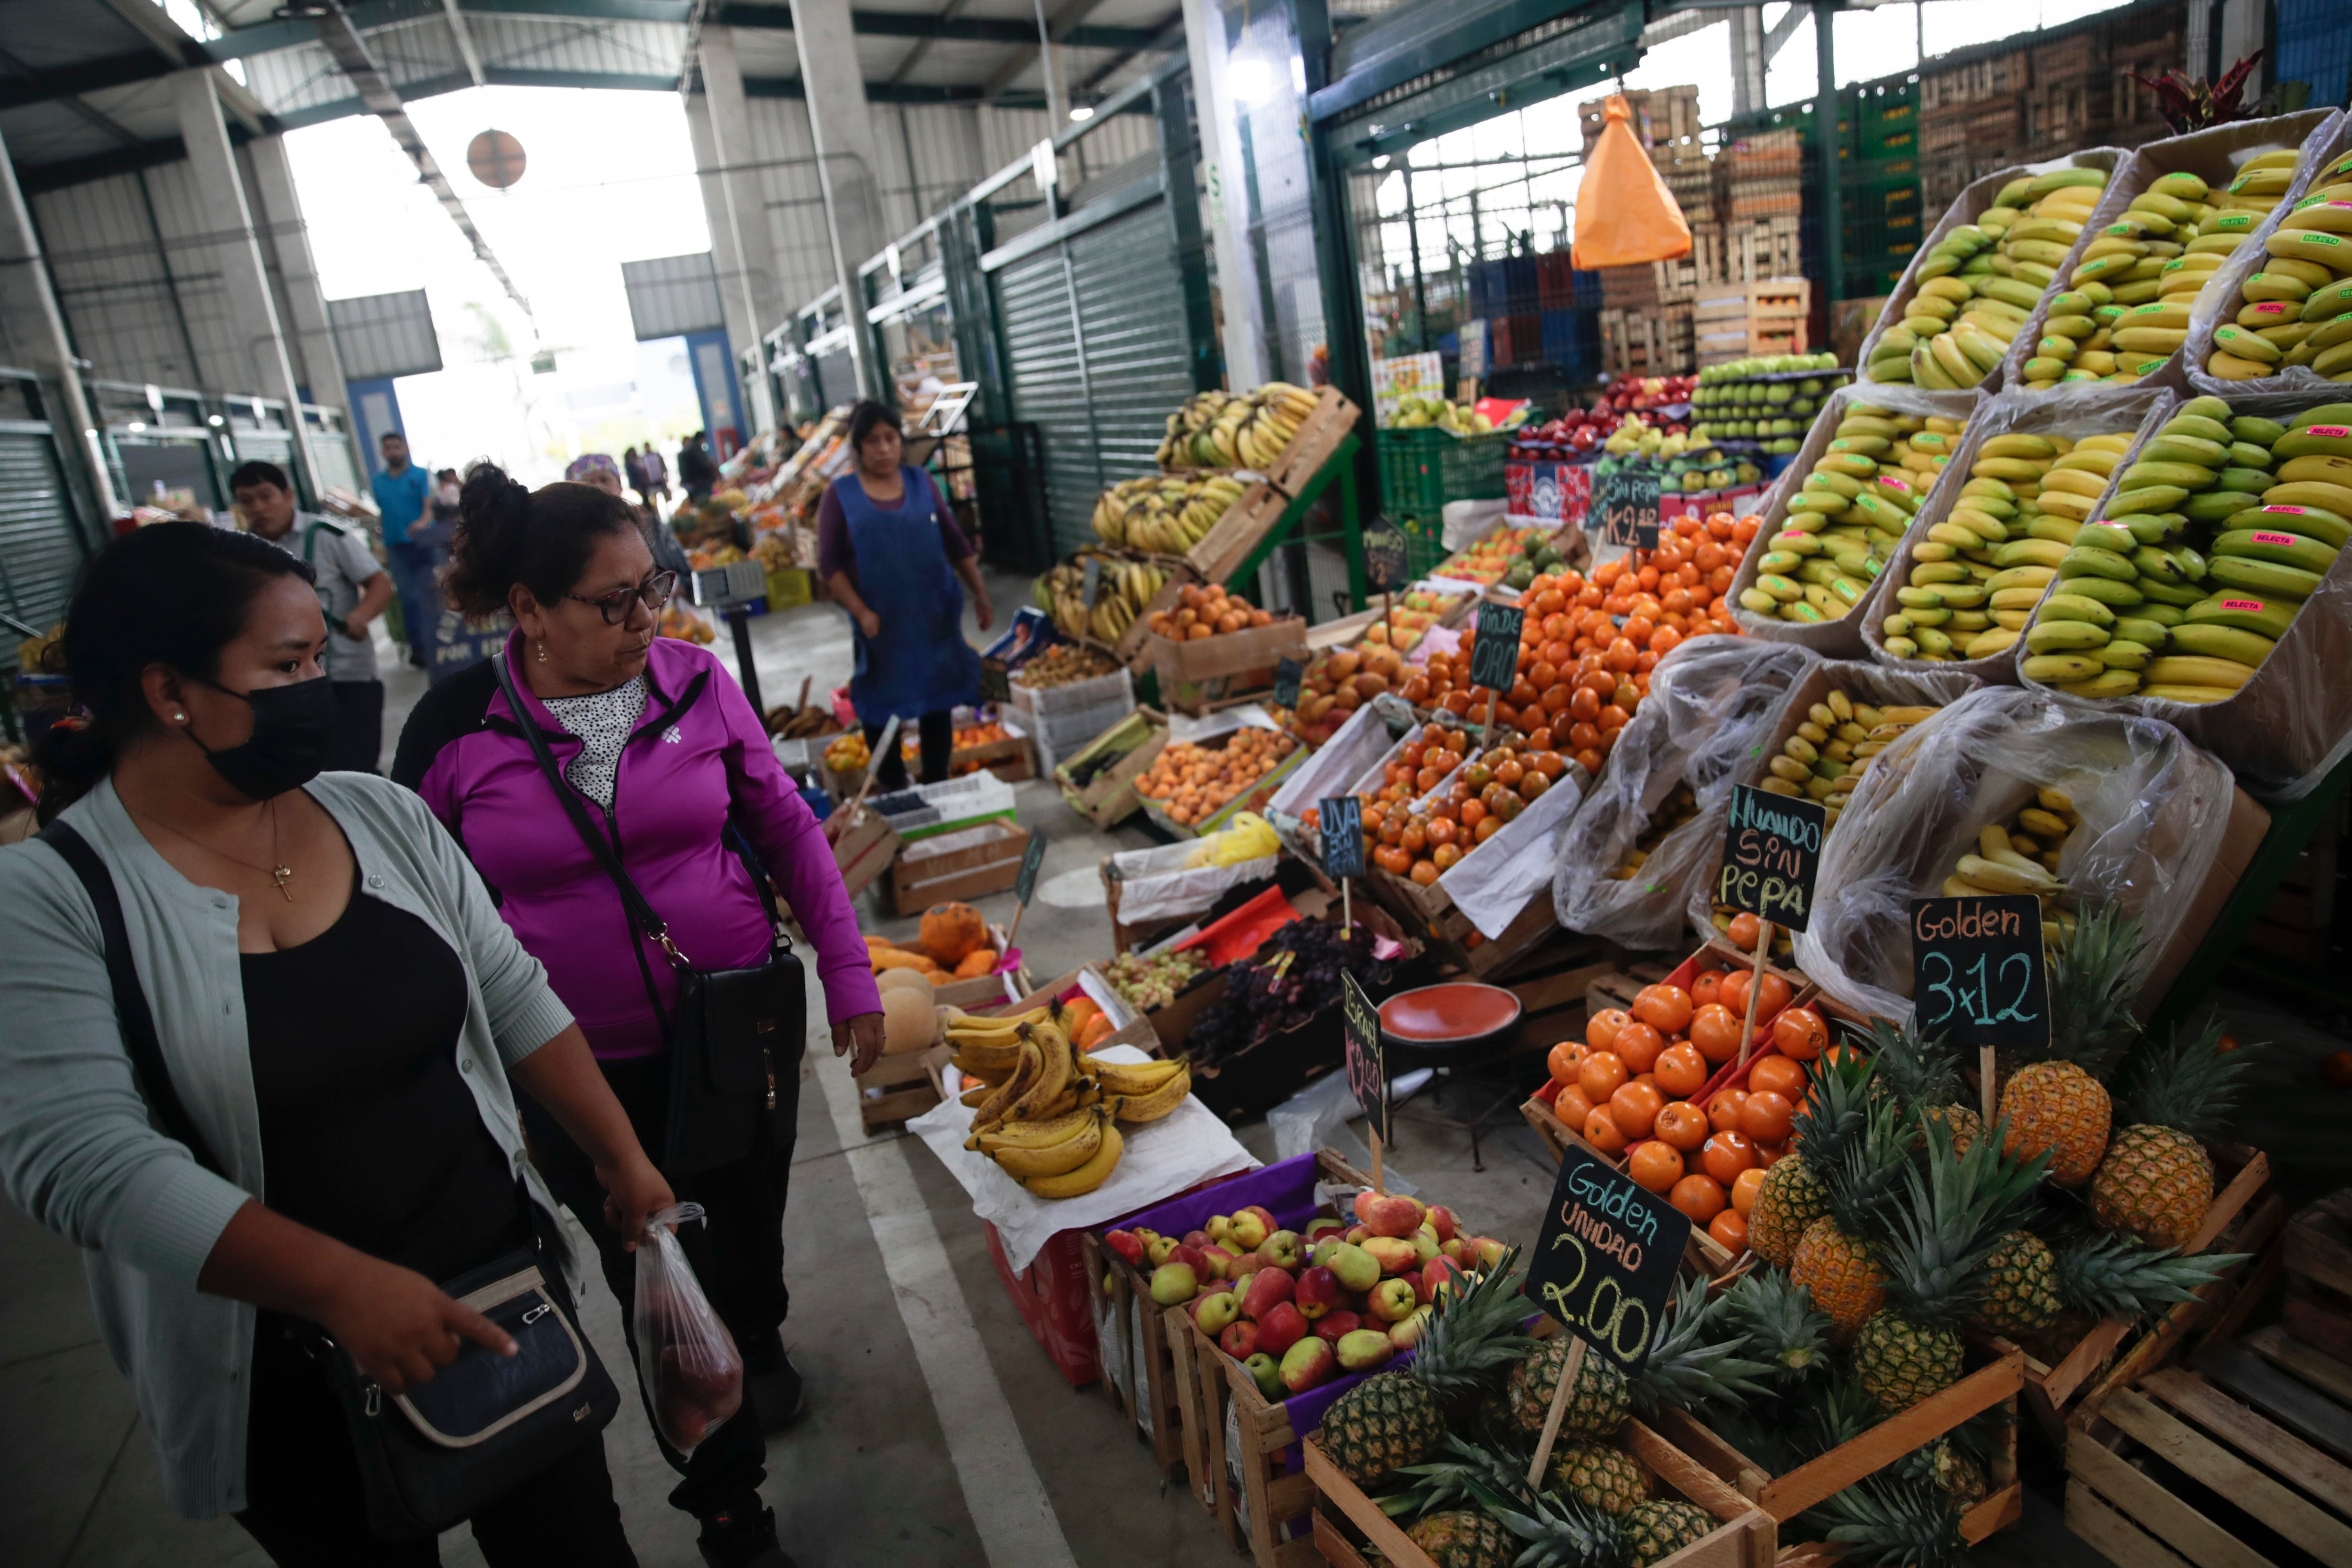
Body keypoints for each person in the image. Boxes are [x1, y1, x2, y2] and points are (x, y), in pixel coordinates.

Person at [0, 521, 668, 1566]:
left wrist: (617, 1153)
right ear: (170, 691)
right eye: (286, 665)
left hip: (496, 1298)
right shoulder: (52, 900)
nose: (319, 686)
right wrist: (339, 1287)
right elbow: (83, 1163)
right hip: (283, 1364)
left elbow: (507, 988)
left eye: (321, 655)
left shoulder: (376, 815)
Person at [391, 465, 884, 1568]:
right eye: (611, 601)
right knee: (653, 1274)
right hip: (573, 1065)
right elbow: (413, 906)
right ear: (527, 610)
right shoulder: (452, 729)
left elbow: (786, 831)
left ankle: (756, 1327)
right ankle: (727, 1503)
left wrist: (847, 971)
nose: (643, 618)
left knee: (746, 1226)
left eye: (650, 587)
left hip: (736, 1022)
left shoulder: (695, 683)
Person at [818, 400, 991, 790]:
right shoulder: (840, 494)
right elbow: (829, 565)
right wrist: (861, 611)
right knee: (881, 706)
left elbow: (955, 540)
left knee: (938, 700)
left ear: (901, 441)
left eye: (891, 438)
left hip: (933, 617)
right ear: (859, 447)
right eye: (873, 440)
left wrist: (980, 592)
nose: (884, 448)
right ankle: (895, 788)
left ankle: (937, 783)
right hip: (880, 623)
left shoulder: (921, 482)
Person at [231, 459, 393, 773]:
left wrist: (361, 616)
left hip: (349, 675)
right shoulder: (241, 554)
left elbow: (379, 583)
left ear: (288, 495)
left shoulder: (327, 535)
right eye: (247, 501)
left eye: (266, 496)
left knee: (357, 769)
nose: (259, 508)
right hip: (286, 685)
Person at [569, 452, 691, 580]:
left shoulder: (649, 524)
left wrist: (676, 587)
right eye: (587, 484)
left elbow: (684, 570)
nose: (598, 488)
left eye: (604, 480)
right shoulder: (577, 545)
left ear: (620, 483)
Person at [369, 432, 436, 669]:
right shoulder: (377, 481)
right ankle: (420, 650)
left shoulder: (419, 475)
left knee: (433, 593)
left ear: (404, 449)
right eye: (388, 448)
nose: (393, 452)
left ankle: (440, 644)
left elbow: (429, 506)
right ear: (383, 452)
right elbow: (383, 510)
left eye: (397, 447)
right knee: (409, 598)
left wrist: (421, 523)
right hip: (396, 546)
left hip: (424, 543)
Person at [678, 432, 717, 500]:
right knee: (704, 502)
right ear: (701, 439)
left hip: (694, 483)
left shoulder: (690, 449)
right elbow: (704, 465)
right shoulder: (695, 449)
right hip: (700, 483)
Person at [641, 444, 671, 509]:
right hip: (651, 483)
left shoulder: (656, 455)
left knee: (666, 499)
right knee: (653, 502)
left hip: (660, 481)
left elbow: (663, 467)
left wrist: (666, 477)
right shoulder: (643, 458)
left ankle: (668, 511)